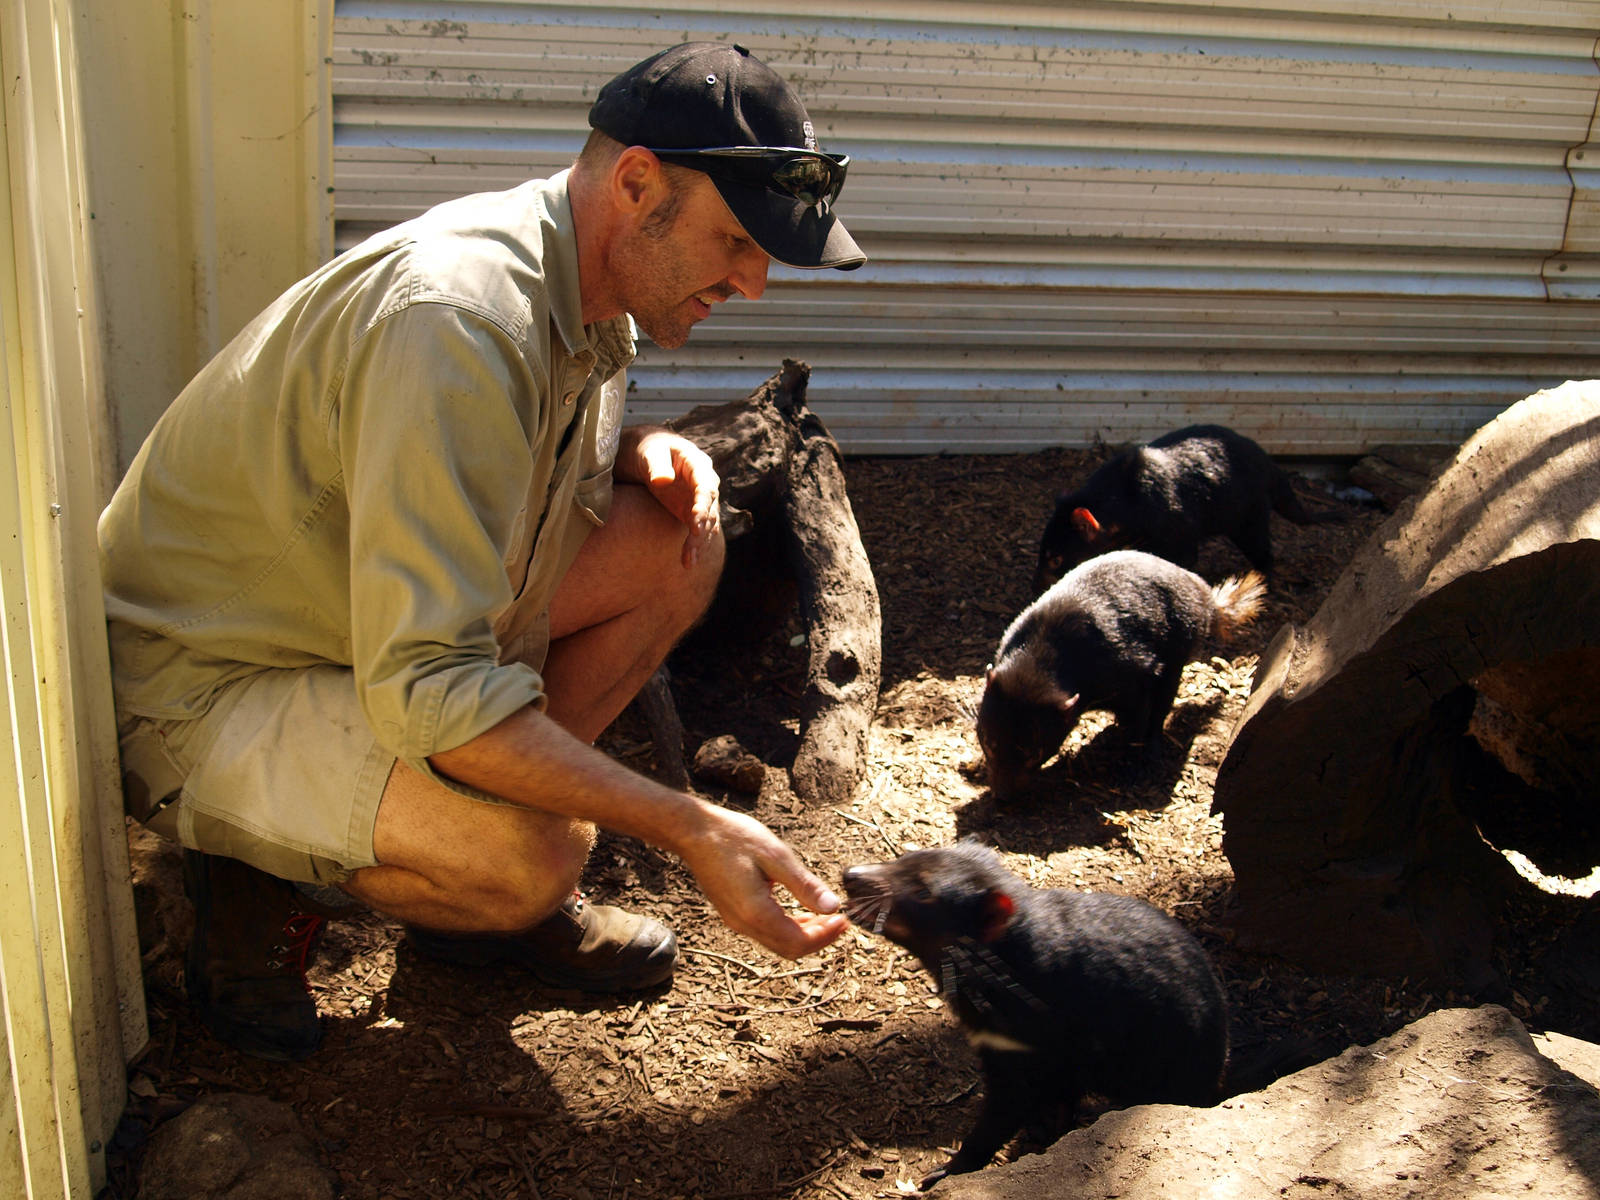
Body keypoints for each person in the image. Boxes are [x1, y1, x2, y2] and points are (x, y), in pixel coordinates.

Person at [99, 41, 866, 1062]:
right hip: (213, 679)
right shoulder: (459, 319)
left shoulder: (589, 292)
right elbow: (432, 686)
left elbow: (496, 502)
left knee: (678, 547)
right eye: (735, 240)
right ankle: (257, 871)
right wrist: (690, 825)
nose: (754, 282)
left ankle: (459, 900)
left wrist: (635, 451)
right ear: (638, 184)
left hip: (348, 622)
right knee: (530, 858)